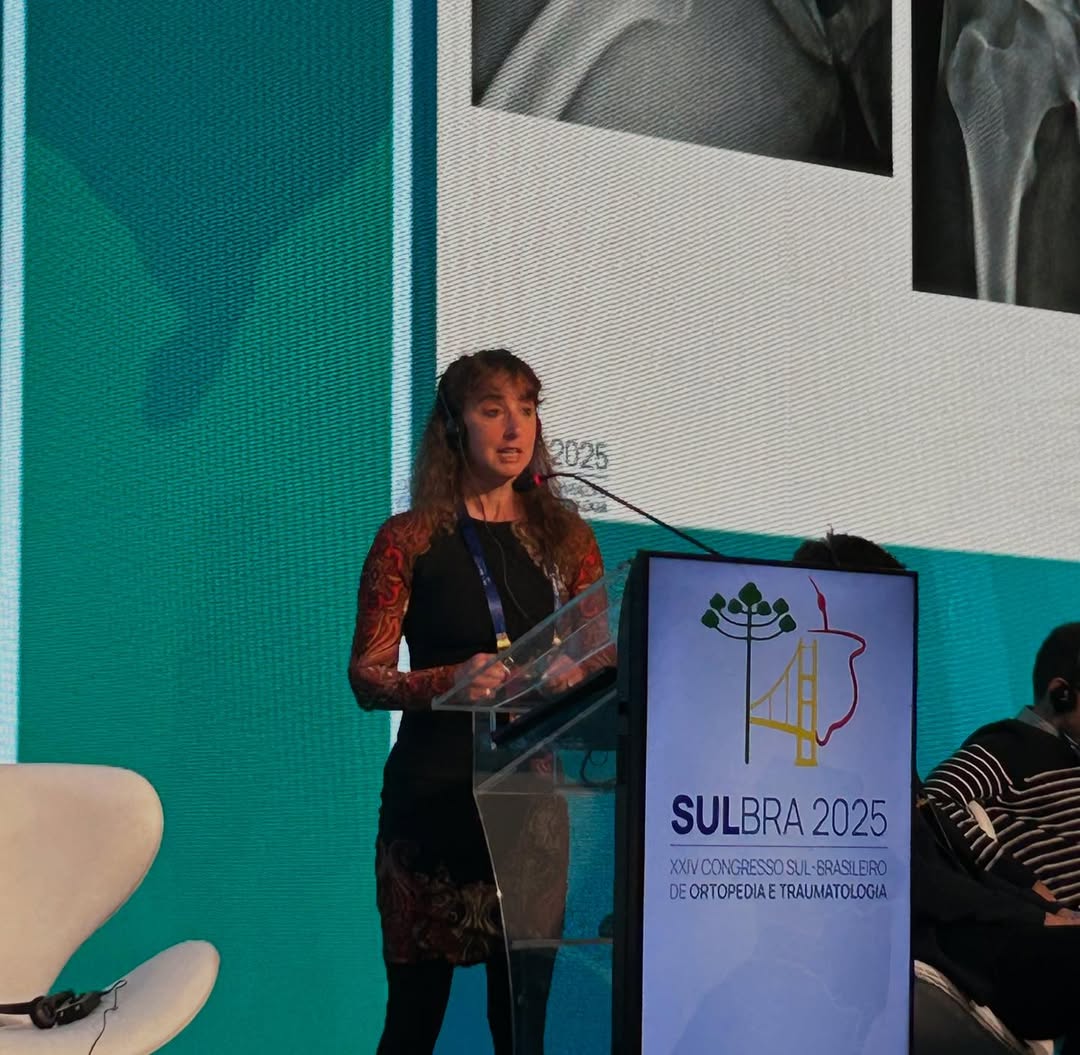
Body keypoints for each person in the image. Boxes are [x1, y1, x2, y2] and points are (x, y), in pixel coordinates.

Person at [348, 349, 604, 1055]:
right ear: (455, 427)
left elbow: (603, 654)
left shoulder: (567, 538)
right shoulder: (408, 539)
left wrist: (572, 672)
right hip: (432, 803)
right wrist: (449, 680)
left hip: (528, 805)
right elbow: (367, 675)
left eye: (527, 408)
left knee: (522, 1030)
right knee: (413, 1023)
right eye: (493, 409)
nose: (515, 426)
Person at [793, 533, 1080, 1051]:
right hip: (968, 954)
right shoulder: (822, 750)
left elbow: (937, 841)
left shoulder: (874, 742)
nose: (901, 647)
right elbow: (916, 872)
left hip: (994, 935)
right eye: (884, 624)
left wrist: (1029, 896)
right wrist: (1034, 911)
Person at [925, 622, 1080, 907]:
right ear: (1061, 694)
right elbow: (932, 801)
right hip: (1060, 925)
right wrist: (1022, 883)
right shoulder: (1008, 747)